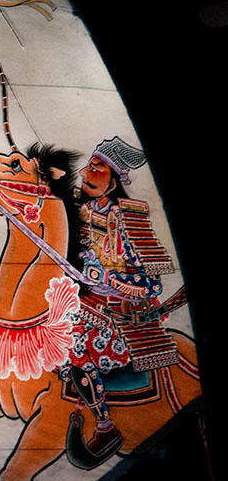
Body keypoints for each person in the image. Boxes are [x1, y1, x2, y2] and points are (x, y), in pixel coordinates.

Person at [61, 136, 175, 462]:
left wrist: (109, 279)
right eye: (88, 166)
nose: (85, 173)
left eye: (97, 168)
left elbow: (151, 286)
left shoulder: (130, 220)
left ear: (113, 182)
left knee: (76, 351)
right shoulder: (80, 212)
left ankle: (105, 426)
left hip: (121, 315)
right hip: (86, 302)